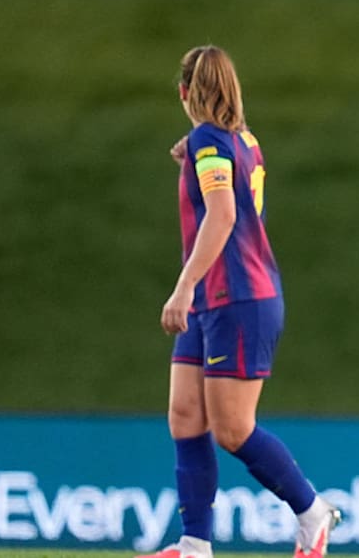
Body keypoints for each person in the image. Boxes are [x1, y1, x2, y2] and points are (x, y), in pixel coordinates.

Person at [141, 45, 340, 558]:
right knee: (186, 416)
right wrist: (195, 145)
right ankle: (193, 545)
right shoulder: (238, 139)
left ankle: (311, 511)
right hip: (218, 298)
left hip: (237, 297)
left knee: (232, 429)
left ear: (185, 92)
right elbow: (220, 161)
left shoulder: (211, 142)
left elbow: (223, 214)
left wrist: (183, 285)